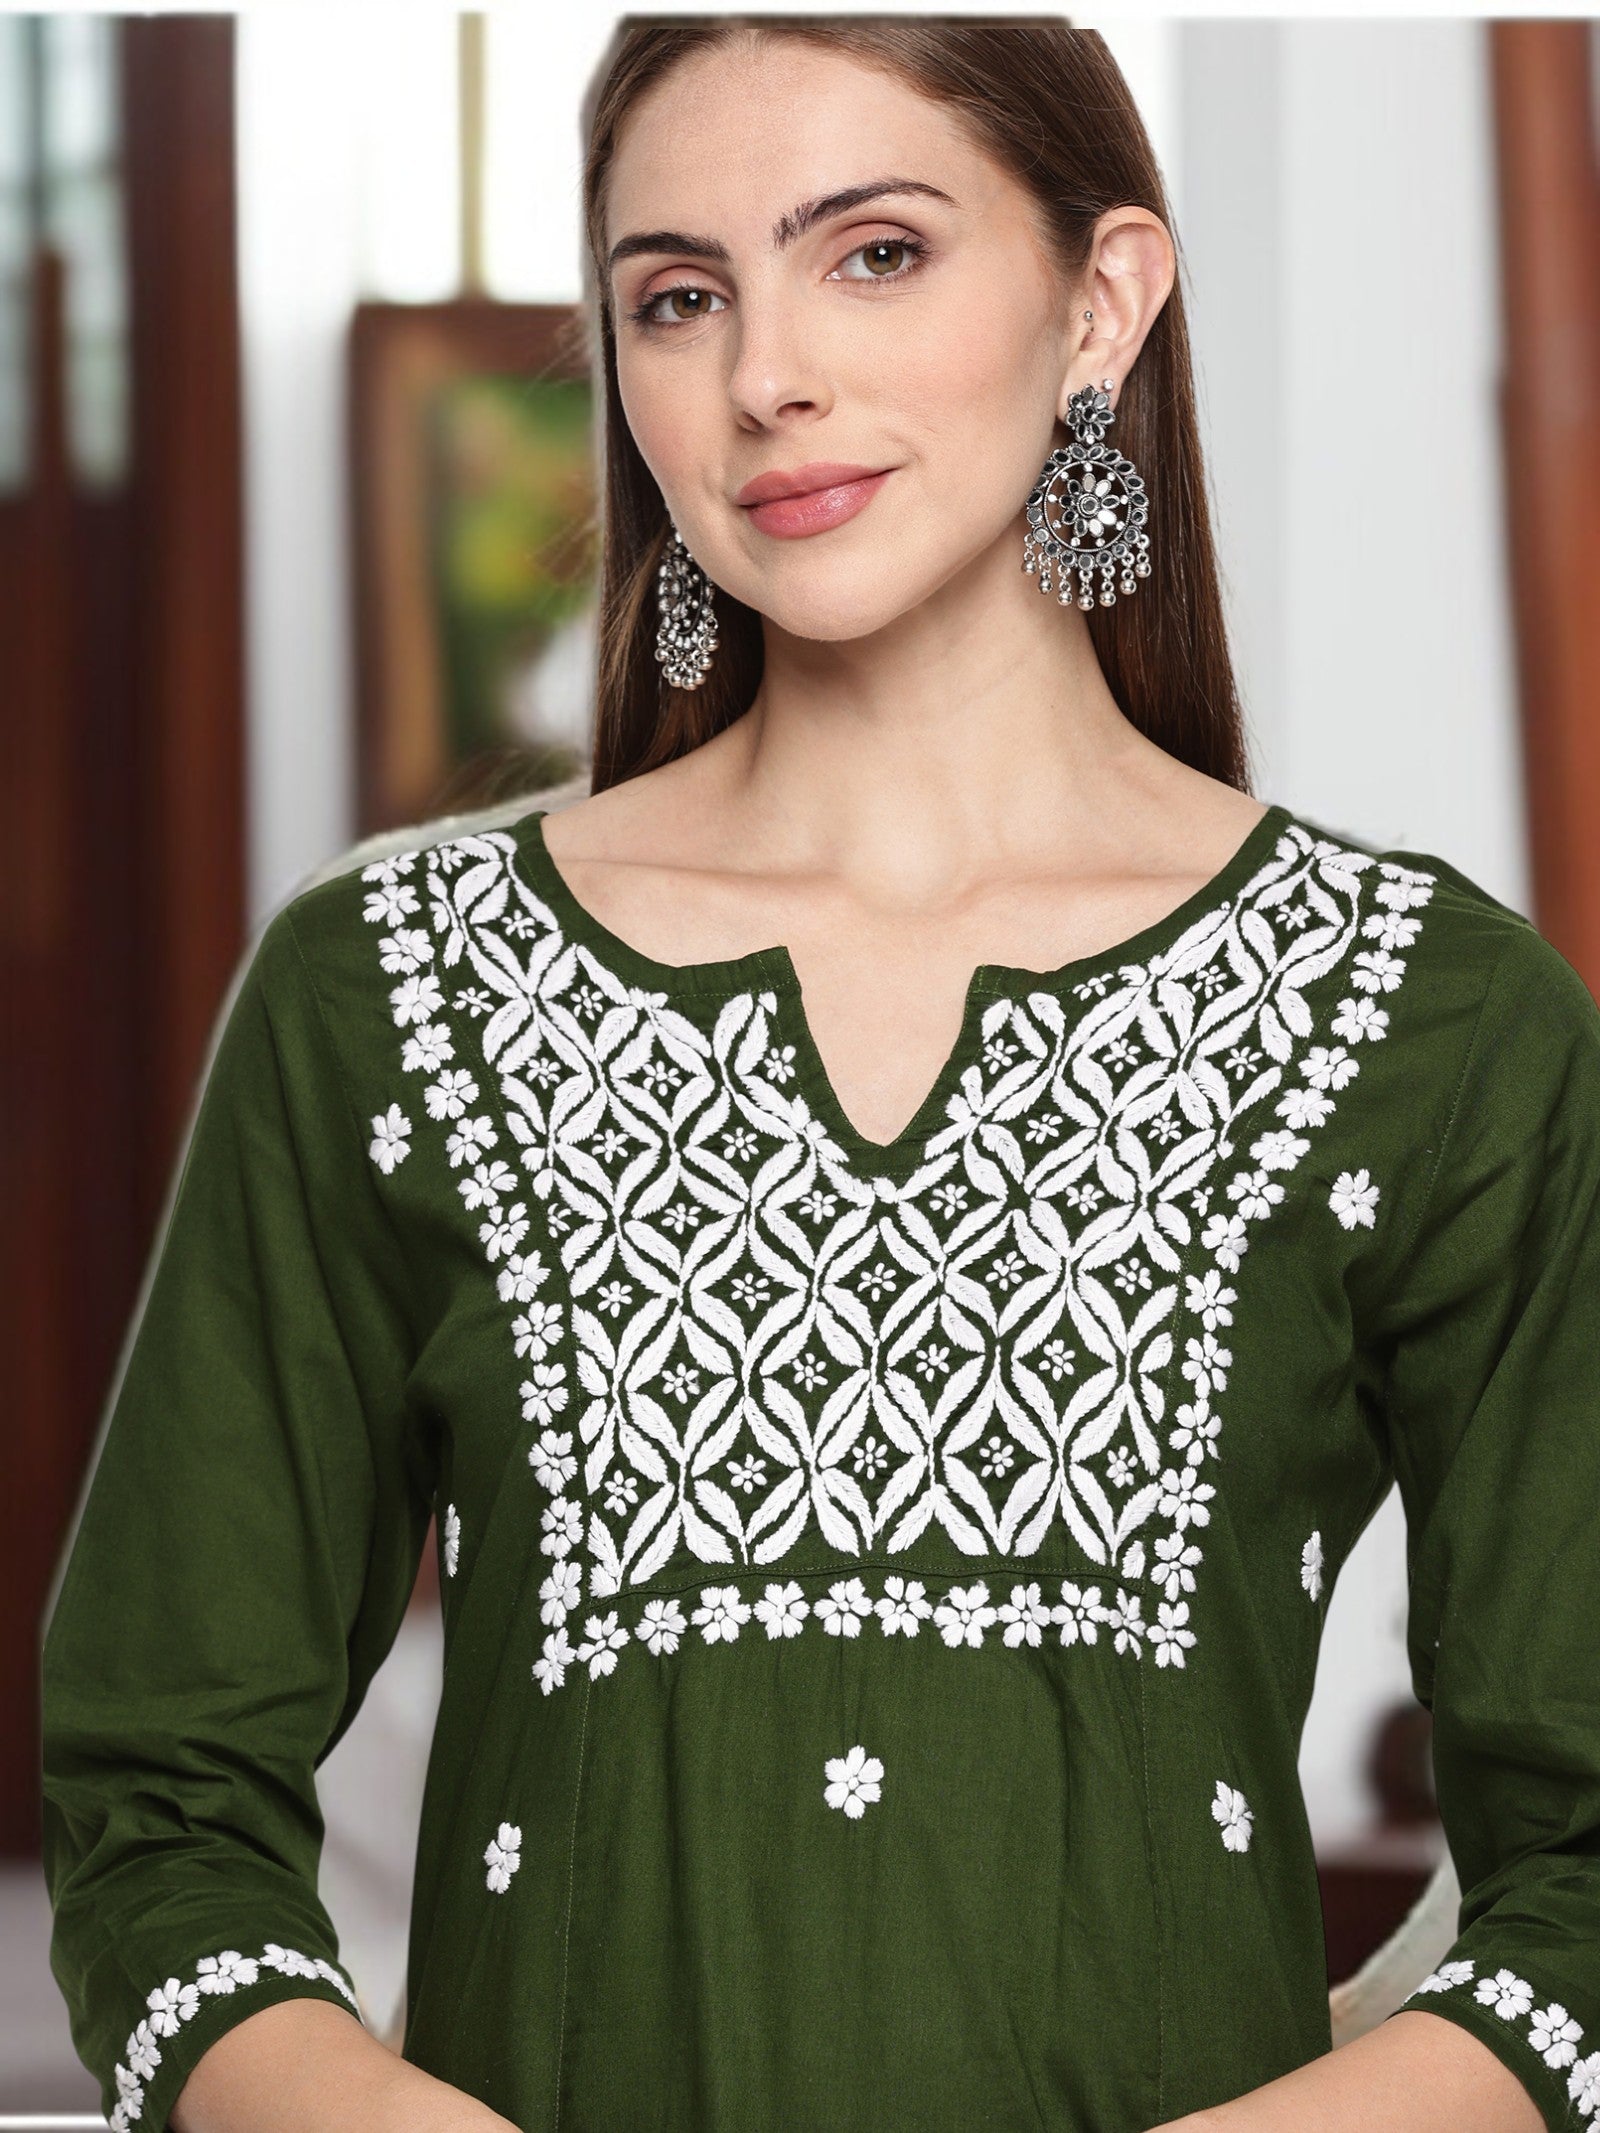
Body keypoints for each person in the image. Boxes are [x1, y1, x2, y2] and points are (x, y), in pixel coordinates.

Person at [40, 18, 1600, 2133]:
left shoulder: (1428, 1018)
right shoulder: (387, 990)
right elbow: (157, 1791)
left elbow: (1582, 1878)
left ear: (1099, 301)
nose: (763, 371)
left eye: (870, 253)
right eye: (677, 296)